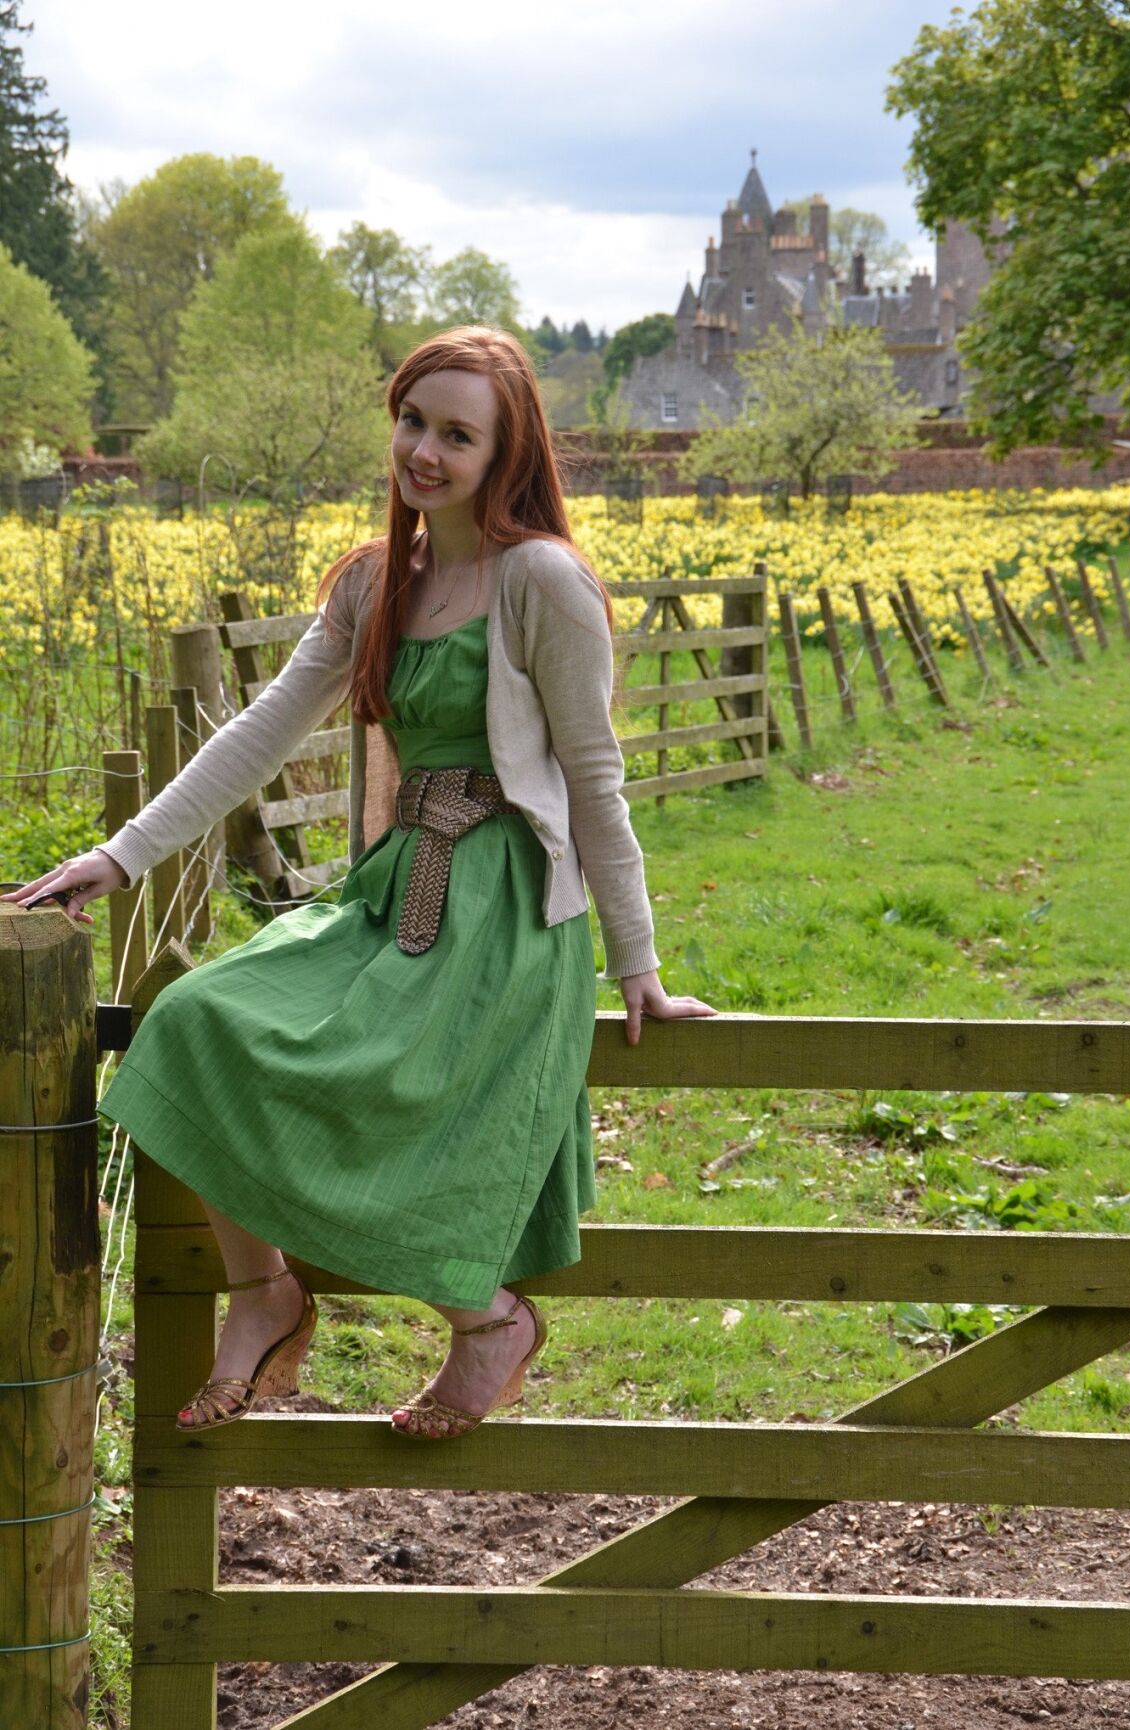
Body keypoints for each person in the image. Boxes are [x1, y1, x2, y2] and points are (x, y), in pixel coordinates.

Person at [2, 325, 715, 1440]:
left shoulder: (542, 582)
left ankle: (485, 1321)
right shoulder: (380, 580)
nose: (423, 451)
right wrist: (120, 853)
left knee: (393, 1097)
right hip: (393, 891)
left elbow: (595, 780)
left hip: (507, 914)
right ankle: (265, 1290)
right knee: (188, 1022)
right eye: (413, 421)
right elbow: (260, 732)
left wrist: (638, 963)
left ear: (506, 453)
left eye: (456, 434)